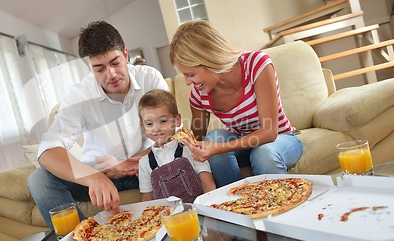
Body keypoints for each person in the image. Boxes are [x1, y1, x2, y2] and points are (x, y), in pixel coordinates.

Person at [28, 21, 169, 229]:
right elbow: (47, 151)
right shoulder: (80, 95)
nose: (110, 74)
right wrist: (93, 177)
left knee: (176, 157)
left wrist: (130, 165)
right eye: (99, 68)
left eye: (115, 62)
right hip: (100, 171)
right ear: (89, 68)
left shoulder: (150, 78)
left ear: (126, 54)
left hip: (145, 163)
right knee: (40, 180)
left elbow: (172, 133)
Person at [169, 20, 303, 187]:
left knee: (263, 153)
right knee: (213, 139)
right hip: (242, 143)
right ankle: (237, 204)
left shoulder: (256, 65)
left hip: (280, 139)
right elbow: (197, 142)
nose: (188, 83)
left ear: (210, 59)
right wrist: (169, 141)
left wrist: (219, 148)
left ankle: (278, 206)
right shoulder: (198, 95)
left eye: (191, 74)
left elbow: (269, 132)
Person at [137, 89, 216, 202]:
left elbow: (209, 186)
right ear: (143, 126)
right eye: (149, 124)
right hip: (168, 218)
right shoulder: (144, 163)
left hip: (199, 212)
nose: (156, 128)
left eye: (163, 121)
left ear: (177, 120)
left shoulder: (190, 149)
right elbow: (147, 200)